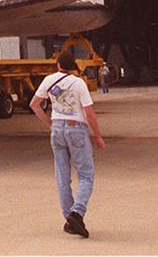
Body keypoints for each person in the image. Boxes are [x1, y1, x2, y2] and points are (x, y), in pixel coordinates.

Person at [31, 51, 106, 236]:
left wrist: (50, 123)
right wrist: (98, 136)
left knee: (62, 176)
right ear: (74, 66)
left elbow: (34, 104)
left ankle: (69, 219)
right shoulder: (79, 83)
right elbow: (89, 113)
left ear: (58, 65)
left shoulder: (48, 80)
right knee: (86, 175)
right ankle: (77, 212)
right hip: (76, 129)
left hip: (57, 129)